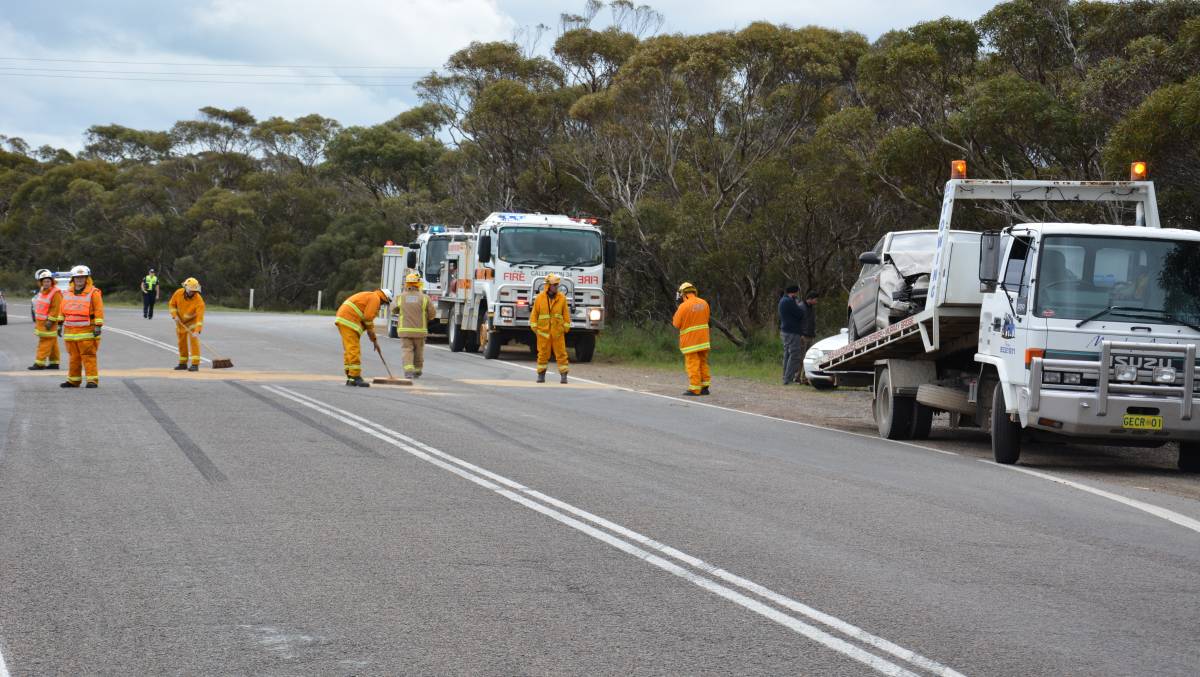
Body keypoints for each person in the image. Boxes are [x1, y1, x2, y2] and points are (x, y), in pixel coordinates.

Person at [335, 287, 393, 387]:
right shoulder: (375, 298)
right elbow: (368, 318)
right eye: (384, 303)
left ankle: (351, 377)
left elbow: (366, 319)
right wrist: (373, 338)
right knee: (354, 349)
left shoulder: (371, 296)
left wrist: (374, 339)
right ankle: (355, 377)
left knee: (349, 350)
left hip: (344, 319)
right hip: (349, 320)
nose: (382, 306)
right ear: (384, 298)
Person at [60, 264, 104, 388]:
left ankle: (92, 380)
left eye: (82, 277)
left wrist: (98, 325)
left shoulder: (93, 292)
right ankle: (73, 380)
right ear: (72, 279)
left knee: (88, 356)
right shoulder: (67, 293)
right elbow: (62, 309)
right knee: (73, 357)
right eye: (77, 278)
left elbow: (99, 310)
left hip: (87, 330)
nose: (79, 280)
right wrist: (59, 324)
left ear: (87, 279)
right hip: (70, 331)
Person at [672, 281, 711, 396]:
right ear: (694, 291)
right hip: (704, 340)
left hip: (691, 342)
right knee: (703, 362)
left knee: (692, 364)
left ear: (683, 294)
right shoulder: (704, 303)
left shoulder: (683, 306)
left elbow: (676, 324)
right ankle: (705, 387)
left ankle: (695, 388)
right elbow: (707, 318)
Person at [531, 273, 571, 383]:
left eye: (557, 285)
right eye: (554, 285)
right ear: (548, 285)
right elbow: (534, 314)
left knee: (562, 354)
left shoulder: (562, 298)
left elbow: (566, 314)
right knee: (542, 354)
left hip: (558, 333)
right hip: (543, 333)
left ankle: (564, 376)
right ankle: (541, 375)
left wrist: (565, 328)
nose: (556, 287)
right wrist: (535, 328)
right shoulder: (539, 298)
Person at [395, 272, 436, 379]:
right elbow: (432, 314)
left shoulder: (400, 297)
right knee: (418, 351)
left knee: (407, 350)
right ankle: (417, 371)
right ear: (418, 284)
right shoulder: (425, 298)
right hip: (420, 331)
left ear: (406, 284)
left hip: (404, 331)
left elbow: (393, 309)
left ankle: (408, 372)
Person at [168, 278, 206, 371]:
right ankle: (183, 363)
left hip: (192, 322)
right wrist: (174, 315)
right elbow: (171, 304)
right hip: (180, 321)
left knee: (194, 341)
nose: (192, 292)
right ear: (185, 287)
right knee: (181, 342)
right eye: (190, 290)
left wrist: (197, 331)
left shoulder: (199, 301)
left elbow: (200, 318)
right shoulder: (178, 293)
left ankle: (195, 364)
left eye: (194, 291)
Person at [29, 269, 63, 371]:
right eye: (44, 281)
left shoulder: (56, 293)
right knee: (52, 342)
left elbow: (56, 308)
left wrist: (50, 321)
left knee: (44, 343)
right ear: (41, 282)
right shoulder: (42, 290)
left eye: (48, 281)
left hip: (49, 323)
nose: (46, 283)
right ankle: (54, 363)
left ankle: (39, 363)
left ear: (52, 281)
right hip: (41, 322)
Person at [779, 284, 806, 385]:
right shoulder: (790, 301)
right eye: (796, 293)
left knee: (787, 354)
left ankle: (784, 377)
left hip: (785, 330)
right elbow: (800, 313)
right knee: (795, 354)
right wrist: (797, 304)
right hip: (792, 331)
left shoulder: (782, 300)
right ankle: (788, 378)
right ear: (793, 293)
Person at [794, 290, 820, 384]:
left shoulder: (812, 308)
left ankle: (805, 378)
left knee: (809, 358)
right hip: (803, 336)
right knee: (801, 358)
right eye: (815, 299)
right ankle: (796, 377)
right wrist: (800, 334)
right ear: (810, 299)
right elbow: (796, 322)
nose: (816, 301)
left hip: (810, 336)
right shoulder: (801, 307)